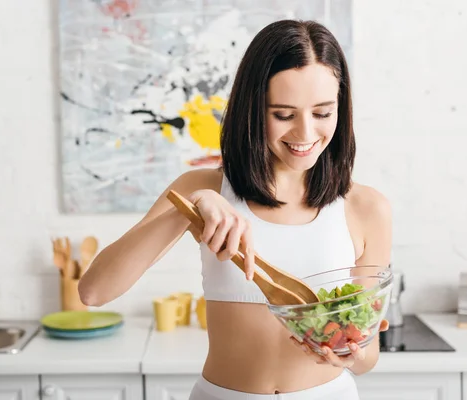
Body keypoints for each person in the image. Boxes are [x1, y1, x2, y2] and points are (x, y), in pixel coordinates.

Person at [78, 19, 392, 400]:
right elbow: (94, 291)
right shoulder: (202, 189)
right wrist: (190, 209)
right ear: (253, 109)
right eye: (283, 114)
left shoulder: (366, 207)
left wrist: (349, 352)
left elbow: (368, 356)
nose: (306, 133)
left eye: (323, 113)